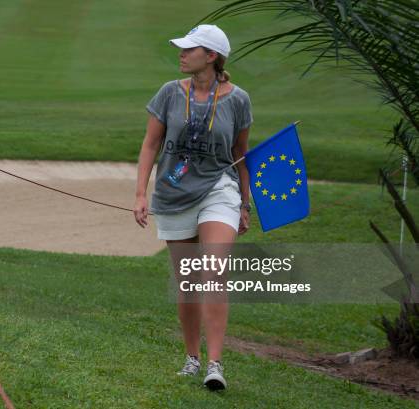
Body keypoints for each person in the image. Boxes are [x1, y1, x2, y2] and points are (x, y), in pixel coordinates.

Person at [133, 24, 253, 391]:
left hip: (219, 190)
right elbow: (151, 145)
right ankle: (192, 356)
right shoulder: (170, 93)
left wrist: (244, 204)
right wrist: (140, 193)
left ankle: (215, 364)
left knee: (213, 272)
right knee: (187, 283)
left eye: (190, 49)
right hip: (174, 193)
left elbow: (240, 154)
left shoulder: (237, 99)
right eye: (182, 49)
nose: (181, 54)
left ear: (212, 57)